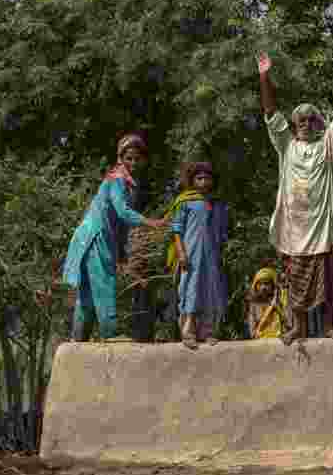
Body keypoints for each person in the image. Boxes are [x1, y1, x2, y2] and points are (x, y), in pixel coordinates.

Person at [257, 49, 333, 346]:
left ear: (319, 123)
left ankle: (329, 326)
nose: (305, 122)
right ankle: (298, 328)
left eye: (311, 119)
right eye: (300, 120)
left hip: (323, 227)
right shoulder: (286, 146)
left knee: (329, 280)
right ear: (294, 125)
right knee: (295, 281)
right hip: (295, 228)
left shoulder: (329, 144)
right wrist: (264, 77)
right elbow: (270, 113)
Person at [63, 133, 167, 341]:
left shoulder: (126, 184)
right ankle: (109, 334)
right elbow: (122, 212)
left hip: (91, 237)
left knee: (88, 295)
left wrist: (121, 253)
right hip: (96, 236)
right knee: (104, 283)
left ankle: (78, 338)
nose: (133, 163)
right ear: (120, 158)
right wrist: (150, 222)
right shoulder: (118, 180)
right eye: (129, 158)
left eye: (137, 158)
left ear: (144, 160)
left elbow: (120, 225)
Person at [165, 161, 229, 349]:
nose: (203, 182)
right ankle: (188, 332)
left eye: (207, 178)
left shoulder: (217, 204)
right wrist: (181, 253)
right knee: (190, 291)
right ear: (192, 181)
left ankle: (208, 332)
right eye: (199, 178)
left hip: (212, 257)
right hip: (191, 256)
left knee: (211, 292)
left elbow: (222, 232)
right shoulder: (185, 202)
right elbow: (176, 230)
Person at [245, 267, 288, 339]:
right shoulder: (253, 305)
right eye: (260, 284)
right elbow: (253, 333)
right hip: (260, 343)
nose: (263, 287)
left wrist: (277, 307)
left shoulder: (281, 300)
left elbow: (289, 325)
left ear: (273, 285)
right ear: (256, 285)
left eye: (266, 283)